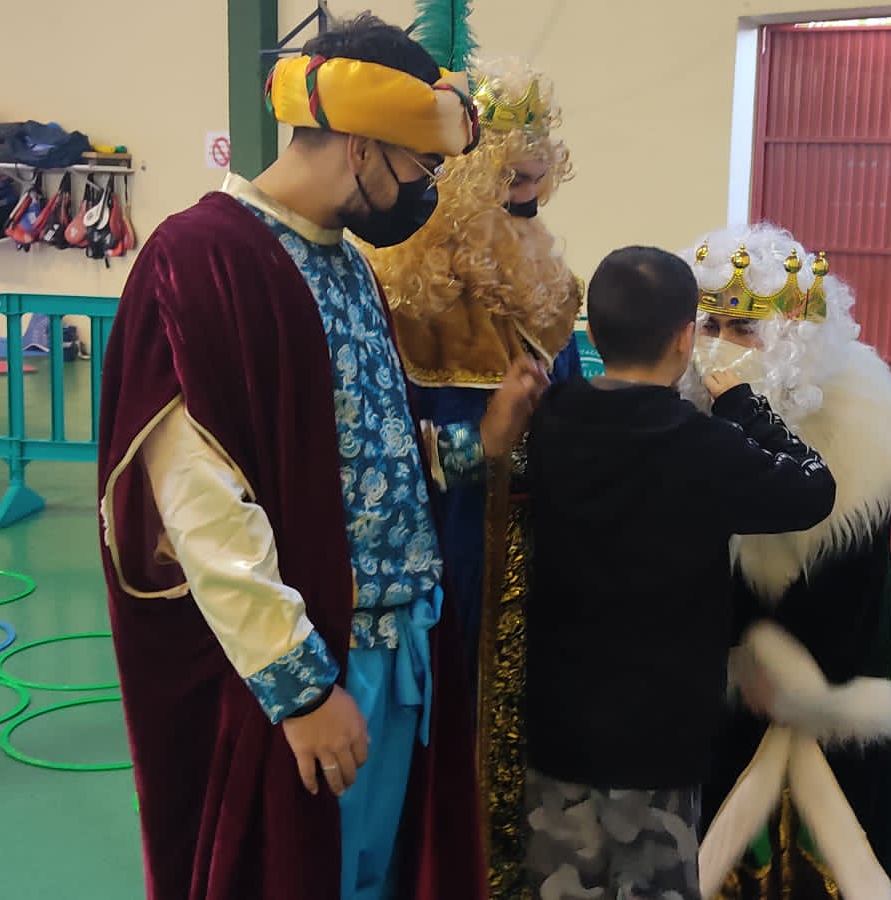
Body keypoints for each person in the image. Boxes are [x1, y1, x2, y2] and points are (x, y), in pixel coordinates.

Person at [95, 13, 504, 900]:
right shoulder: (202, 260)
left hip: (404, 653)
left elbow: (363, 453)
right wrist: (303, 688)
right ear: (360, 146)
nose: (425, 191)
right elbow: (199, 504)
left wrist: (477, 448)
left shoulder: (348, 265)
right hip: (315, 660)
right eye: (419, 167)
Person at [520, 245, 839, 900]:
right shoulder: (703, 445)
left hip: (559, 726)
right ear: (686, 338)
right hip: (658, 740)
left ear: (593, 332)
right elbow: (815, 488)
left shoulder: (552, 419)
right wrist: (746, 407)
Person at [360, 54, 582, 896]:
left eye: (535, 183)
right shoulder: (404, 293)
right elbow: (382, 445)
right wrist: (482, 440)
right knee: (450, 703)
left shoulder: (547, 278)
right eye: (509, 182)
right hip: (446, 538)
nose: (527, 202)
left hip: (532, 538)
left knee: (523, 700)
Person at [684, 224, 891, 900]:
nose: (722, 343)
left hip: (825, 686)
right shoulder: (690, 417)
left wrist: (787, 678)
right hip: (728, 690)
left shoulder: (862, 433)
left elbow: (851, 595)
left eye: (744, 327)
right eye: (711, 324)